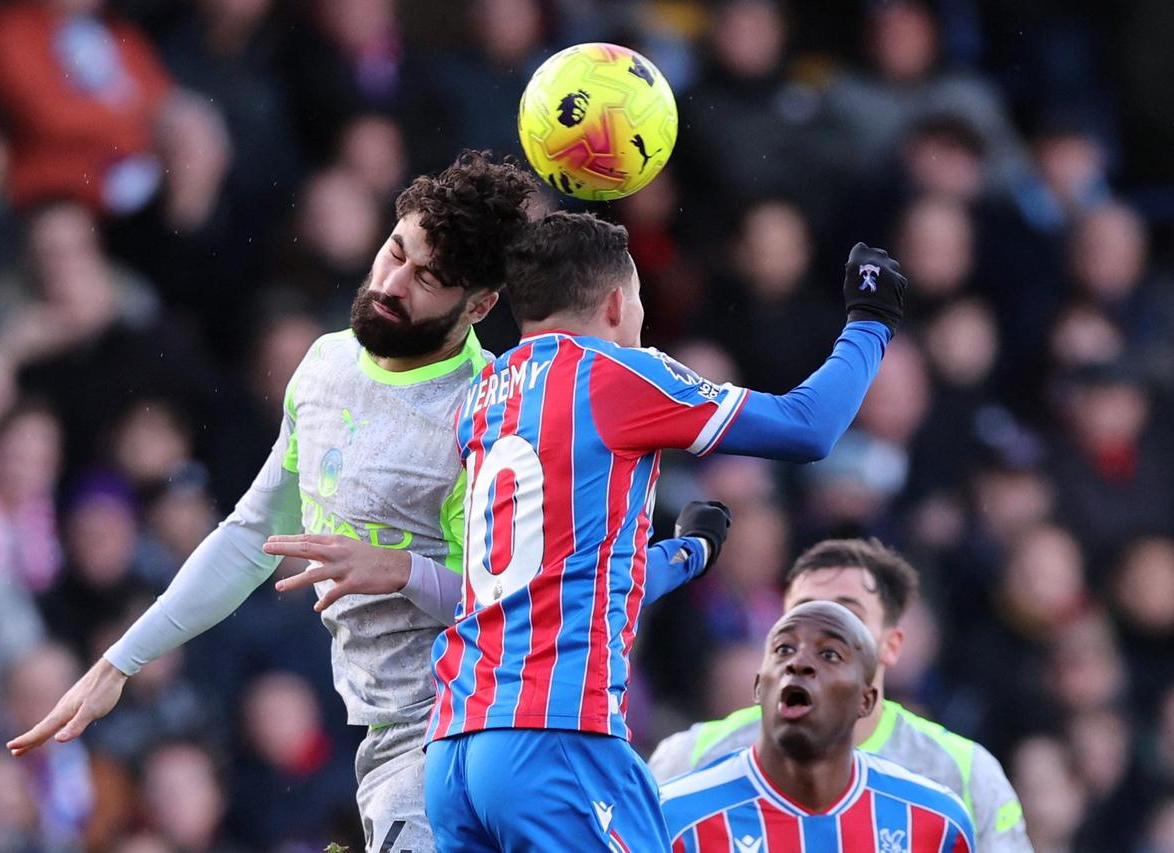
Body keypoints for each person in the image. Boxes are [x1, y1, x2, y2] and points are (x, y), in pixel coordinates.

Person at [7, 153, 728, 853]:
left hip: (470, 732)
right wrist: (120, 661)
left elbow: (521, 604)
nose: (392, 282)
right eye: (395, 252)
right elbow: (255, 532)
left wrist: (400, 567)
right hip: (386, 740)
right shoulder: (324, 363)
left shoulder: (492, 410)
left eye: (428, 278)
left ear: (478, 304)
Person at [422, 211, 908, 851]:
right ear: (619, 302)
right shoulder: (614, 374)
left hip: (456, 749)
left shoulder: (485, 397)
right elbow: (806, 428)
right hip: (556, 736)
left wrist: (687, 554)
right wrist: (870, 324)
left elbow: (560, 579)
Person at [650, 538, 1032, 852]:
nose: (813, 642)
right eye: (802, 615)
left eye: (847, 618)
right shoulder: (689, 760)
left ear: (891, 644)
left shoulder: (963, 774)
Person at [659, 601, 976, 852]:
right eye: (784, 649)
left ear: (865, 701)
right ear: (759, 687)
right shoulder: (675, 818)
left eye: (829, 654)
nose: (799, 662)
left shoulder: (935, 822)